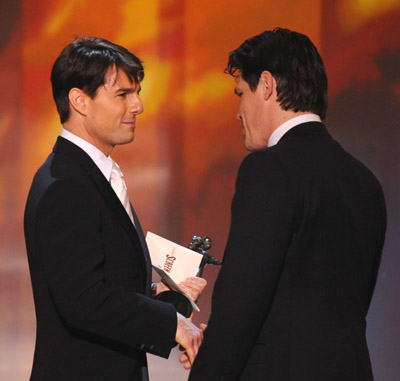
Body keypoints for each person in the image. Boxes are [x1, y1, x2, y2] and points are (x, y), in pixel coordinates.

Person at [187, 27, 387, 380]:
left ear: (267, 85)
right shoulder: (366, 182)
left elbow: (240, 305)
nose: (238, 112)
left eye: (240, 94)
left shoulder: (269, 170)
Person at [24, 36, 206, 381]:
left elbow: (101, 285)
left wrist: (160, 297)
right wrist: (173, 324)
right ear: (80, 100)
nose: (138, 105)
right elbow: (83, 299)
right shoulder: (66, 184)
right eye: (123, 94)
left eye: (136, 92)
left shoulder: (87, 174)